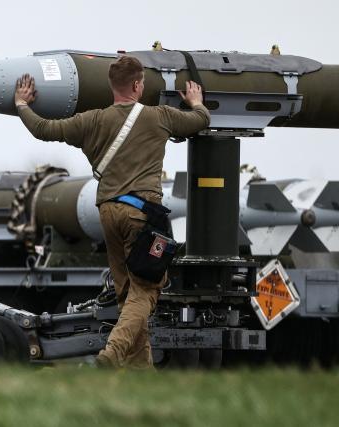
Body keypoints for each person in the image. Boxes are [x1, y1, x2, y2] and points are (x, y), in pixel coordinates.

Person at [14, 56, 210, 368]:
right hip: (142, 217)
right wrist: (197, 102)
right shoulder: (158, 117)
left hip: (107, 212)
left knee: (127, 295)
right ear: (137, 85)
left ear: (111, 86)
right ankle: (111, 356)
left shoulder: (90, 121)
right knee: (146, 291)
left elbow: (44, 129)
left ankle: (139, 374)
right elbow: (201, 121)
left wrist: (22, 105)